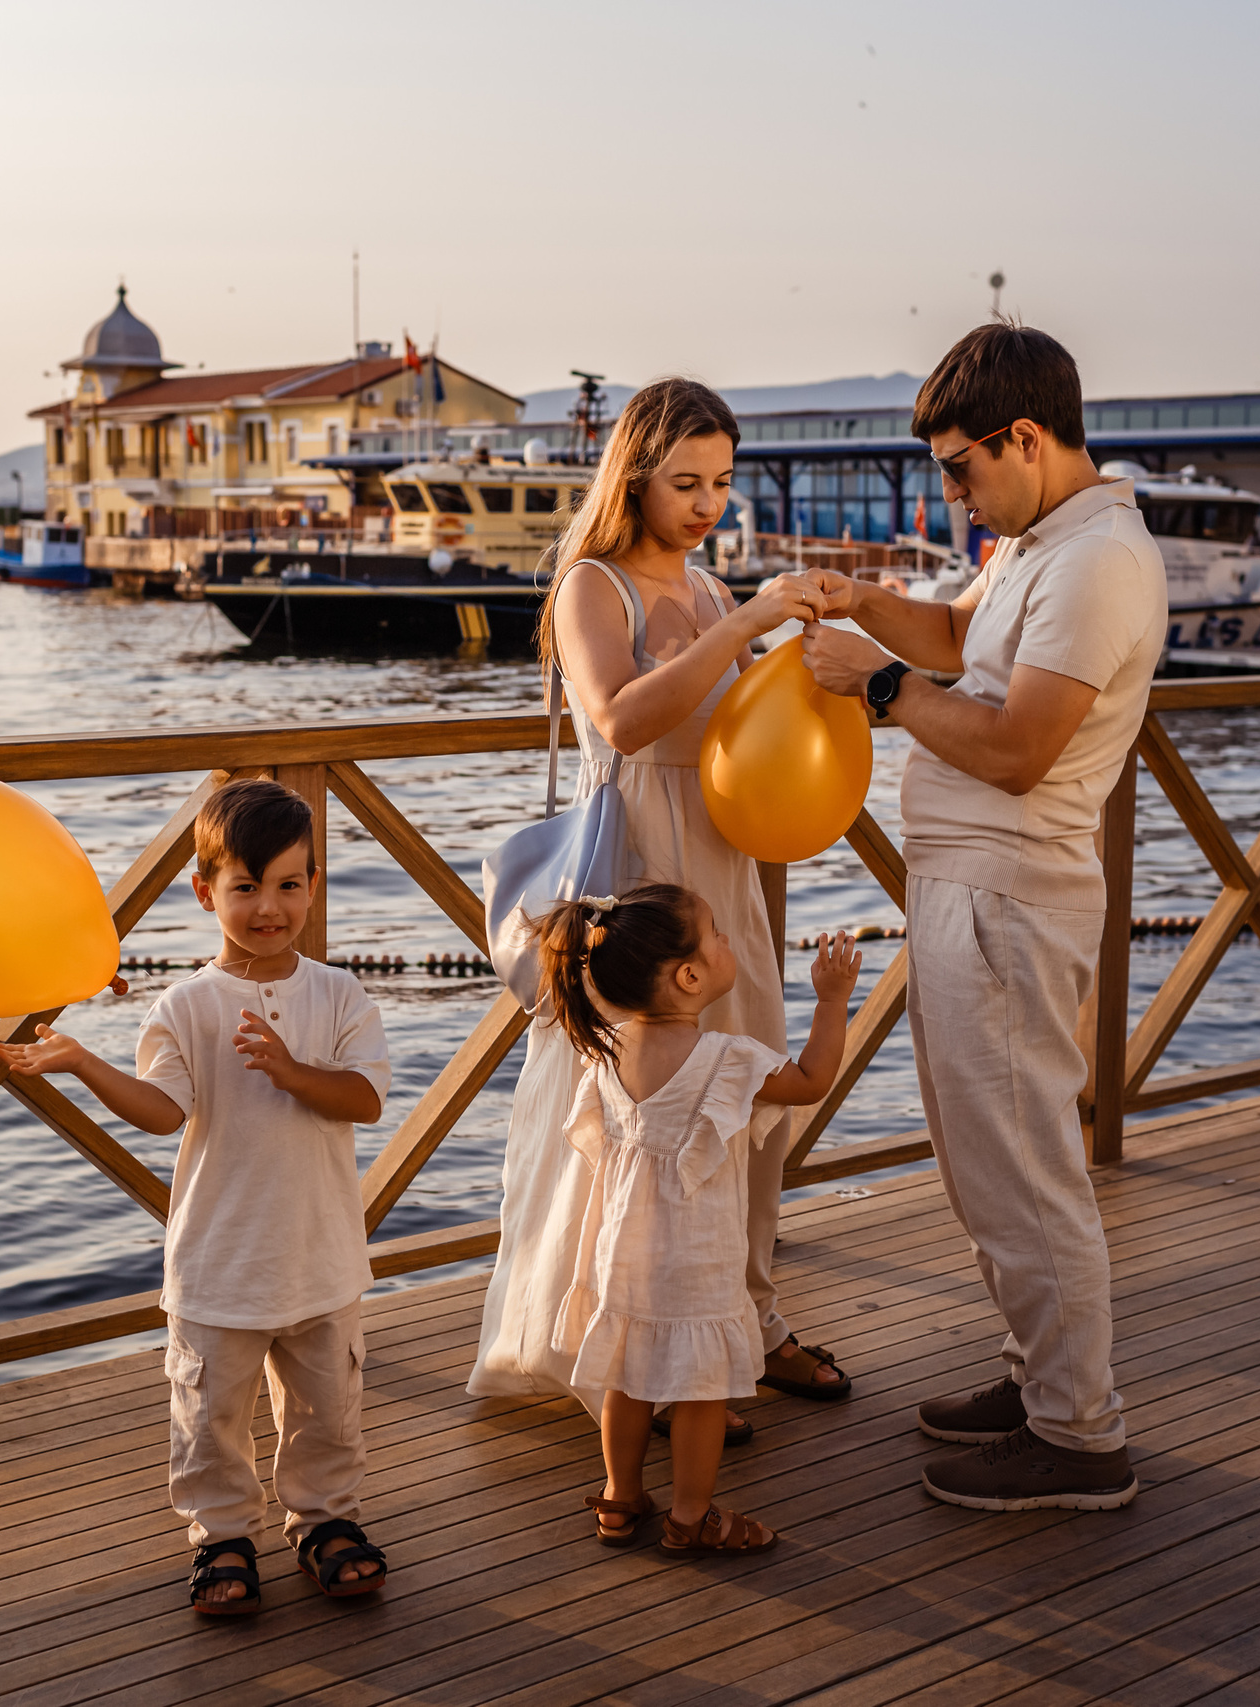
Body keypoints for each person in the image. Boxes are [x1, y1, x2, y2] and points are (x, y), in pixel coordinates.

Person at [785, 321, 1163, 1513]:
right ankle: (1041, 1376)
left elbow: (1014, 749)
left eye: (960, 468)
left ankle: (1078, 1434)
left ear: (1028, 438)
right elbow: (962, 640)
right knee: (983, 1164)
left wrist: (876, 683)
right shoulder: (1034, 541)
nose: (952, 494)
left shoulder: (1094, 560)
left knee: (1024, 1168)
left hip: (1011, 893)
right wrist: (869, 605)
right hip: (970, 889)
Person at [469, 378, 851, 1435]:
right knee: (631, 1120)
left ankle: (745, 1318)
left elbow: (743, 735)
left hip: (724, 872)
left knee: (756, 1102)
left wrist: (807, 656)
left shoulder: (718, 595)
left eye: (721, 483)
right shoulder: (595, 586)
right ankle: (634, 1352)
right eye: (686, 482)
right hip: (636, 871)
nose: (706, 504)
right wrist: (751, 627)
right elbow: (624, 719)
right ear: (633, 474)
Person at [0, 778, 394, 1615]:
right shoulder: (187, 1005)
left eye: (288, 884)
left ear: (314, 885)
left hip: (321, 1252)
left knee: (327, 1409)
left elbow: (365, 1098)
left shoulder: (340, 994)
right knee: (210, 1412)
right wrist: (82, 1061)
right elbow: (162, 1111)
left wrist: (289, 1068)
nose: (268, 907)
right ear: (207, 890)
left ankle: (324, 1519)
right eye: (245, 887)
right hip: (219, 1259)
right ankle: (222, 1533)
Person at [531, 883, 861, 1554]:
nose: (727, 941)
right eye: (715, 933)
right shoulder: (726, 1060)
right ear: (689, 975)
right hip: (697, 1259)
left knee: (626, 1375)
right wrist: (831, 1000)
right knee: (700, 1391)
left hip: (622, 1252)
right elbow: (811, 1079)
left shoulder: (610, 1049)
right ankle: (692, 1514)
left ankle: (620, 1499)